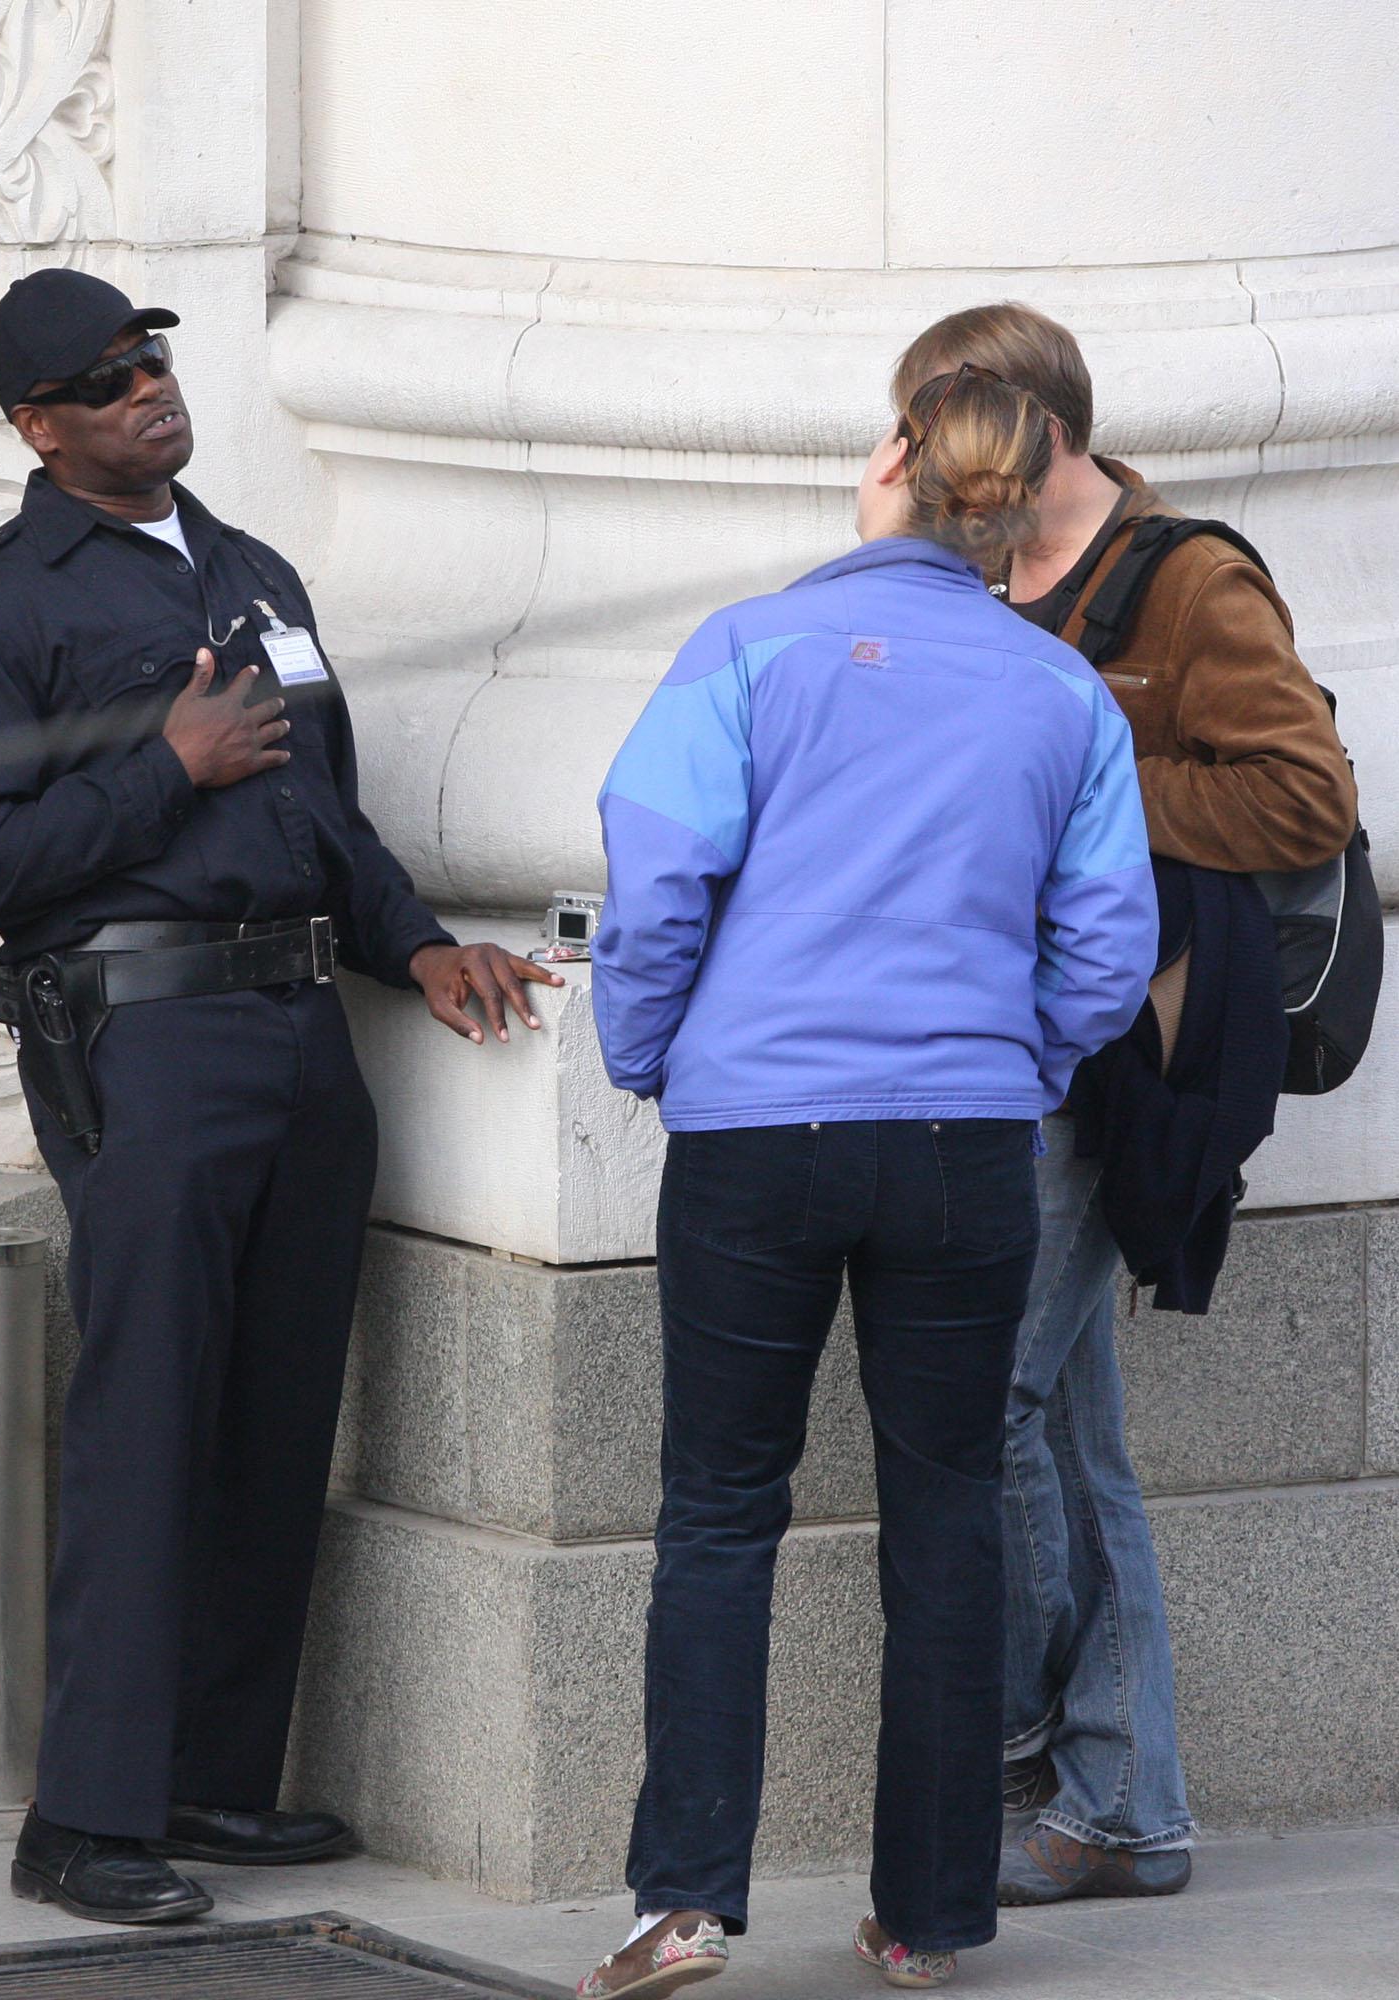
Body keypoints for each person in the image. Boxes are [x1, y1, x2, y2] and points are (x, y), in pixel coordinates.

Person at [0, 269, 561, 1926]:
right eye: (106, 379)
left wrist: (411, 952)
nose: (147, 390)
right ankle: (86, 1817)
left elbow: (328, 817)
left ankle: (210, 1777)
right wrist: (162, 770)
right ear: (36, 426)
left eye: (152, 360)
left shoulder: (250, 571)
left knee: (276, 1413)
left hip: (296, 1028)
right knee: (147, 1420)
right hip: (148, 1039)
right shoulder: (0, 610)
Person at [579, 364, 1159, 1996]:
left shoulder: (750, 648)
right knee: (949, 1513)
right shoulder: (1058, 693)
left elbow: (656, 883)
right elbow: (1107, 939)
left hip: (758, 1132)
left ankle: (682, 1902)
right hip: (966, 1140)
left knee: (715, 1514)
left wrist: (652, 1050)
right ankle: (927, 1918)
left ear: (895, 462)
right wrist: (1025, 1057)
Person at [889, 304, 1358, 1905]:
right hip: (1003, 1046)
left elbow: (1304, 796)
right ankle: (1126, 1806)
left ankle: (1040, 1755)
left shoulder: (1185, 578)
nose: (945, 489)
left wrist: (1069, 761)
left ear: (1035, 434)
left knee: (1001, 1405)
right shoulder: (978, 568)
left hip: (1129, 1057)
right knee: (1072, 1438)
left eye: (960, 453)